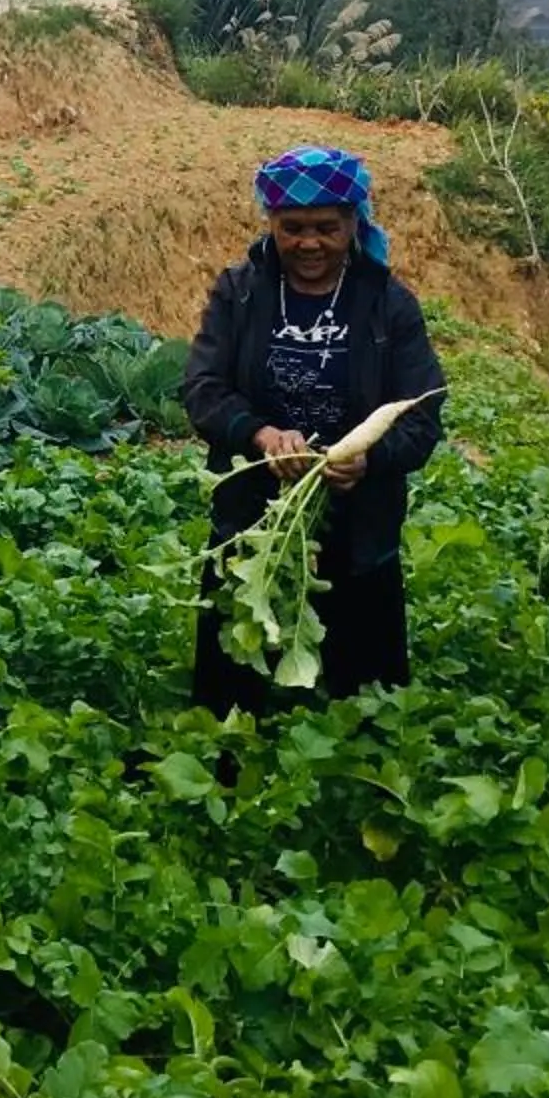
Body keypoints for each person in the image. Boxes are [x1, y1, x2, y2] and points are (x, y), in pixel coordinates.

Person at [184, 144, 445, 718]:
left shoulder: (387, 303)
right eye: (292, 227)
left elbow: (422, 414)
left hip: (360, 525)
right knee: (230, 681)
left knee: (366, 692)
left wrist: (368, 461)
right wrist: (260, 435)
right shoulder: (240, 293)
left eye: (327, 227)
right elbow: (202, 389)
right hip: (254, 518)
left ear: (354, 222)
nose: (309, 243)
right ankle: (229, 764)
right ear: (271, 223)